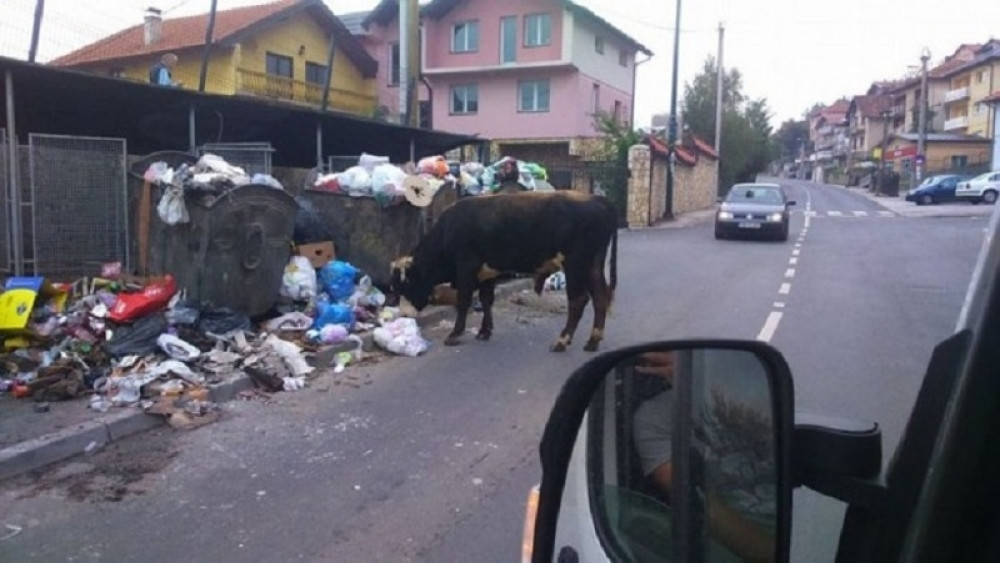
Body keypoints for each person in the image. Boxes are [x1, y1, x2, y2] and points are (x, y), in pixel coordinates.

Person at [631, 350, 776, 562]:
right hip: (739, 536)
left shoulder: (765, 389)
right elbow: (700, 505)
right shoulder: (655, 419)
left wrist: (714, 384)